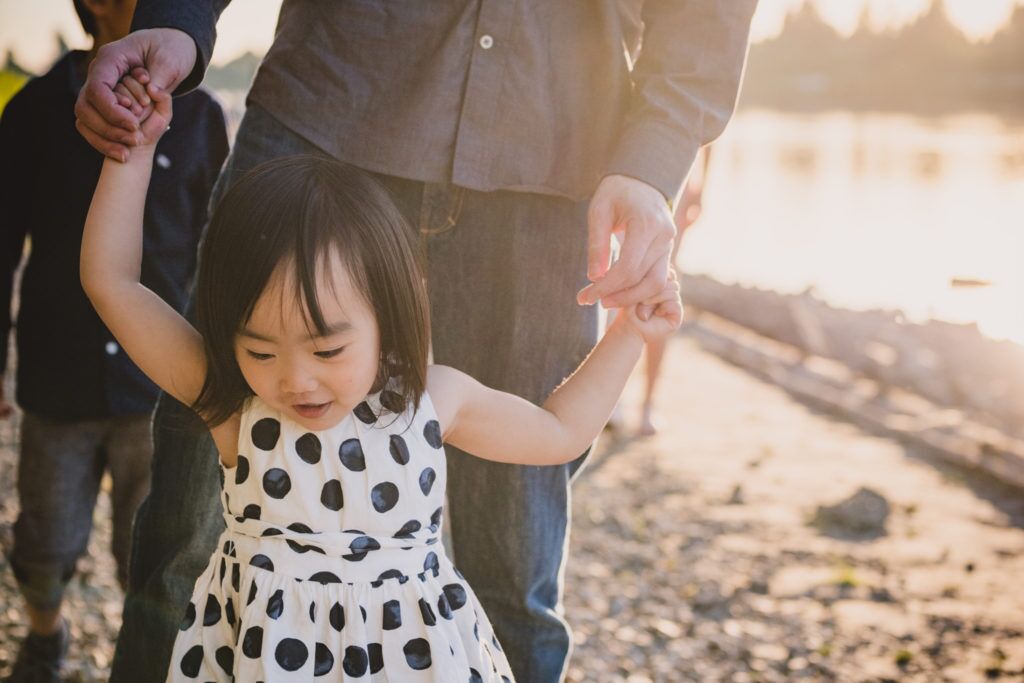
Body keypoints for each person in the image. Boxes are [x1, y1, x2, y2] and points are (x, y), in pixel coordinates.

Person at [75, 3, 757, 679]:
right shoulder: (234, 407)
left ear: (393, 321)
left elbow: (557, 430)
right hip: (327, 104)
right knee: (176, 543)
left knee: (517, 570)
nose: (296, 379)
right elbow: (114, 285)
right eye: (258, 350)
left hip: (552, 144)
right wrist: (132, 147)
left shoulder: (432, 399)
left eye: (329, 348)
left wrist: (633, 328)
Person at [0, 2, 227, 680]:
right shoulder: (35, 111)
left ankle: (146, 658)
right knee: (44, 541)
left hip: (160, 385)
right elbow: (2, 245)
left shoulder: (205, 116)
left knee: (155, 547)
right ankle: (45, 636)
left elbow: (215, 246)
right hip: (55, 375)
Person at [639, 147, 713, 436]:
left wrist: (702, 187)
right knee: (620, 286)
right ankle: (614, 401)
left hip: (677, 182)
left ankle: (647, 403)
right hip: (631, 175)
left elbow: (709, 129)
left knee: (664, 289)